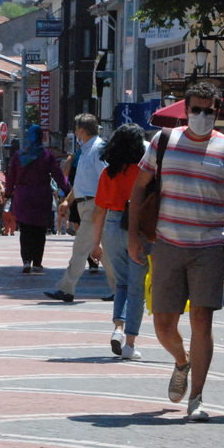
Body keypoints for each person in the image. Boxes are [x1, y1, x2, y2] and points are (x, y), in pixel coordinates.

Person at [127, 82, 224, 422]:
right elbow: (139, 188)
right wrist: (133, 235)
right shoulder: (163, 142)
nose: (202, 116)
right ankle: (181, 361)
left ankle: (197, 398)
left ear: (217, 112)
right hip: (167, 243)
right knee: (163, 324)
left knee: (202, 321)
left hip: (209, 245)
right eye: (196, 109)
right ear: (185, 110)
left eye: (209, 110)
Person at [89, 123, 150, 360]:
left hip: (113, 227)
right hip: (138, 227)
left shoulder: (109, 172)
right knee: (137, 288)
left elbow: (99, 211)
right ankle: (130, 344)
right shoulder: (144, 172)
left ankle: (118, 329)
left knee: (122, 284)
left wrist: (96, 243)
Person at [46, 114, 117, 301]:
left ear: (83, 131)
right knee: (107, 253)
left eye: (76, 129)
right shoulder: (85, 150)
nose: (75, 133)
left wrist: (101, 206)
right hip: (86, 204)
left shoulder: (98, 149)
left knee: (80, 248)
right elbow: (80, 182)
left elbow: (106, 177)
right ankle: (119, 289)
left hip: (95, 205)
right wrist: (67, 201)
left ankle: (66, 288)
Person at [6, 125, 69, 275]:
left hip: (23, 195)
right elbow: (58, 175)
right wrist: (68, 191)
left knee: (25, 230)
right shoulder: (47, 156)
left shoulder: (19, 155)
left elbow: (10, 177)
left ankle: (26, 260)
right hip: (41, 195)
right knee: (40, 231)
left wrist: (9, 194)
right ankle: (37, 263)